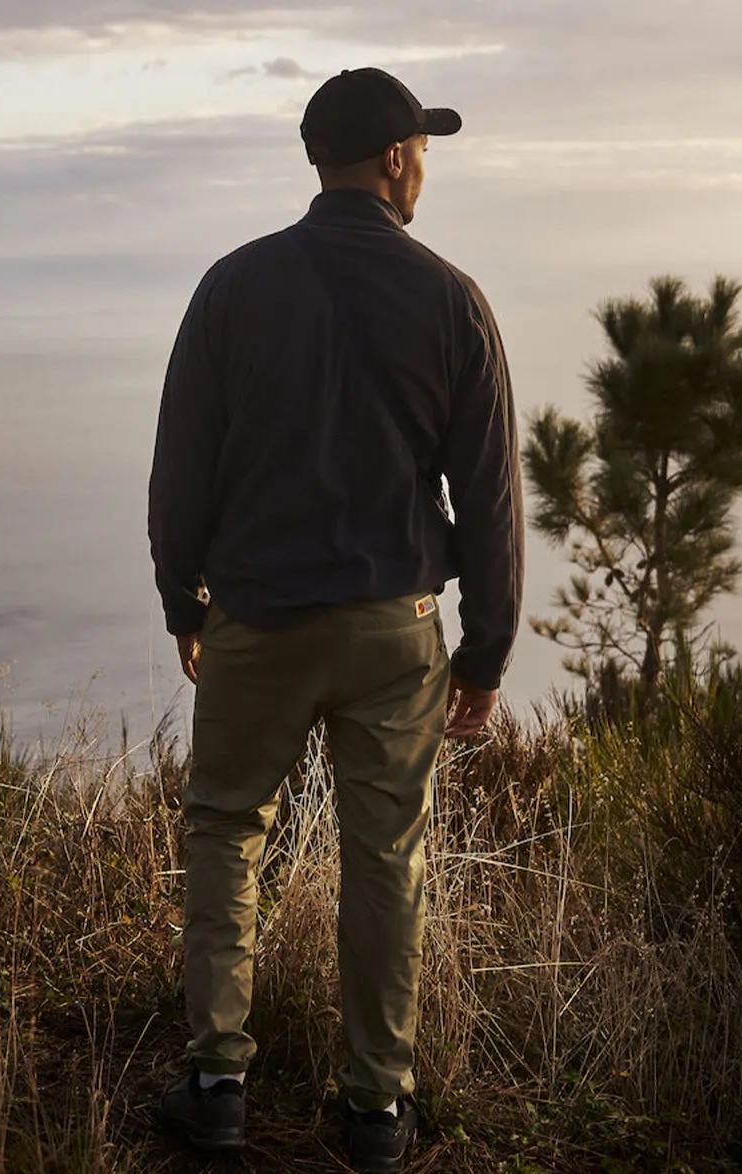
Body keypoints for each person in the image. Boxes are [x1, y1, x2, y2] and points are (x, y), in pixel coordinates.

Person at [147, 65, 522, 1173]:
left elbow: (181, 476)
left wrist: (184, 602)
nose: (422, 169)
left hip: (255, 619)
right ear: (397, 158)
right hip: (390, 628)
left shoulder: (230, 288)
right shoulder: (452, 298)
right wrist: (484, 651)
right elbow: (489, 497)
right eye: (421, 149)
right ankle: (375, 1109)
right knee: (384, 857)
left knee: (224, 829)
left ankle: (216, 1081)